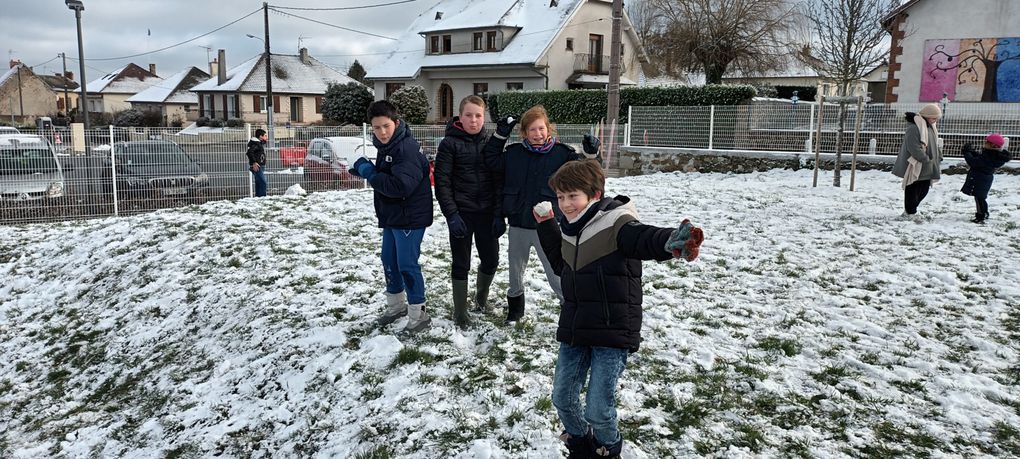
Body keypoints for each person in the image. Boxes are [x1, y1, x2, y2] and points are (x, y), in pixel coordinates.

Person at [533, 160, 704, 458]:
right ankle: (581, 444)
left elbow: (642, 238)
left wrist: (669, 241)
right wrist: (548, 226)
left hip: (612, 330)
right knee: (562, 398)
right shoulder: (570, 227)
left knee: (598, 410)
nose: (565, 204)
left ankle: (608, 448)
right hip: (576, 325)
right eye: (561, 197)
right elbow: (562, 266)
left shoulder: (616, 222)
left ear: (595, 194)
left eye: (573, 196)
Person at [483, 105, 582, 323]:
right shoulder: (514, 153)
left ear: (548, 129)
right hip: (518, 222)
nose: (537, 134)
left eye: (541, 129)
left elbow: (584, 174)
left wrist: (591, 155)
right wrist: (500, 135)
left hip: (548, 225)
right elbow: (490, 160)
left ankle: (569, 306)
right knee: (515, 269)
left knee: (554, 269)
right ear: (524, 133)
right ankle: (515, 309)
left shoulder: (562, 155)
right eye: (532, 130)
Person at [349, 100, 434, 334]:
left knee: (406, 264)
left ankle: (419, 313)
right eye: (376, 128)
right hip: (394, 214)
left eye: (386, 126)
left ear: (396, 123)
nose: (382, 132)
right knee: (388, 259)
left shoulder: (405, 148)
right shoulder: (387, 146)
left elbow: (399, 186)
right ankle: (396, 306)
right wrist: (366, 169)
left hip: (410, 216)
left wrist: (368, 171)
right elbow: (388, 174)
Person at [434, 95, 503, 328]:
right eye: (468, 115)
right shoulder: (449, 144)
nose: (473, 120)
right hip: (461, 214)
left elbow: (498, 181)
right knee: (461, 263)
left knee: (491, 260)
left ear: (484, 118)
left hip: (486, 214)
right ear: (460, 116)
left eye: (478, 116)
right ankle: (460, 311)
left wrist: (497, 214)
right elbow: (442, 182)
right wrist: (451, 215)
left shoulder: (492, 143)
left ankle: (481, 300)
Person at [892, 103, 943, 221]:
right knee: (913, 186)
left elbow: (934, 143)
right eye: (934, 118)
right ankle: (910, 212)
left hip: (927, 163)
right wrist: (924, 158)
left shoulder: (929, 126)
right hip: (916, 163)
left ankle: (911, 210)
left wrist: (938, 155)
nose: (935, 120)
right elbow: (913, 147)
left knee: (924, 188)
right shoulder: (914, 127)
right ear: (926, 115)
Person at [961, 133, 1011, 224]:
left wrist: (967, 153)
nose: (984, 143)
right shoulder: (993, 155)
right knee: (980, 198)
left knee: (979, 198)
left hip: (981, 180)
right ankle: (985, 213)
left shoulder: (990, 157)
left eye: (987, 142)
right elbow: (979, 158)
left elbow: (974, 162)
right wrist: (972, 152)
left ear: (993, 145)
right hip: (982, 178)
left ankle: (981, 216)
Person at [247, 128, 268, 197]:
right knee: (263, 182)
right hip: (257, 166)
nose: (266, 137)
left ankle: (258, 198)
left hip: (260, 165)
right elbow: (249, 152)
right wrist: (254, 163)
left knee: (259, 182)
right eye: (265, 135)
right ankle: (262, 198)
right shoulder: (256, 143)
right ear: (260, 136)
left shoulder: (258, 143)